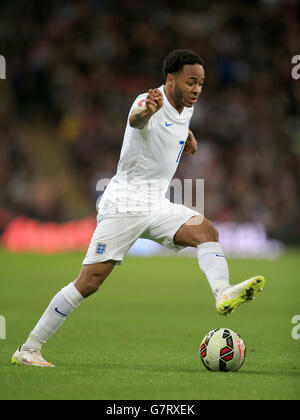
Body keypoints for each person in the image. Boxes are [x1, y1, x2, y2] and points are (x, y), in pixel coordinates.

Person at [12, 49, 265, 367]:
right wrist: (146, 111)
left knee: (205, 230)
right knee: (89, 282)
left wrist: (186, 135)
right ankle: (29, 348)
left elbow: (172, 126)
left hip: (156, 204)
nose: (197, 89)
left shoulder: (184, 107)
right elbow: (137, 119)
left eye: (201, 83)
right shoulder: (148, 102)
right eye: (191, 82)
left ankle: (223, 292)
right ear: (170, 79)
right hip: (124, 205)